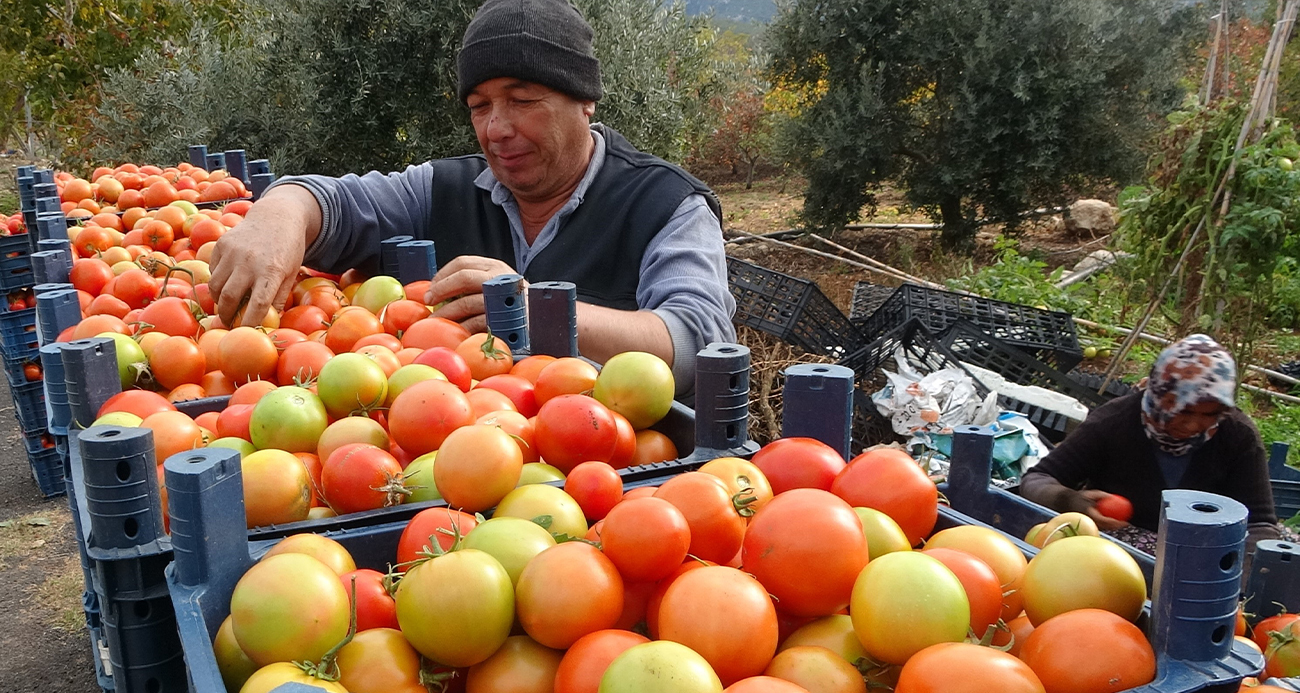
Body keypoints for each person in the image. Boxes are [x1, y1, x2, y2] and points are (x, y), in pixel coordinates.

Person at [207, 0, 735, 395]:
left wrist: (532, 309)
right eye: (480, 106)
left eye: (523, 100)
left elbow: (699, 341)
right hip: (450, 470)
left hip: (608, 482)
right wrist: (281, 209)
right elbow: (339, 203)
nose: (497, 128)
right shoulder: (443, 189)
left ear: (585, 102)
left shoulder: (666, 204)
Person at [1020, 334, 1280, 551]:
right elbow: (1037, 479)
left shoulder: (1237, 435)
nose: (1194, 425)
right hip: (1119, 551)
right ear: (1159, 393)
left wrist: (1241, 579)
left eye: (1209, 414)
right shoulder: (1114, 422)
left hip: (1205, 551)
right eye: (1184, 410)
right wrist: (1072, 501)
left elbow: (1260, 524)